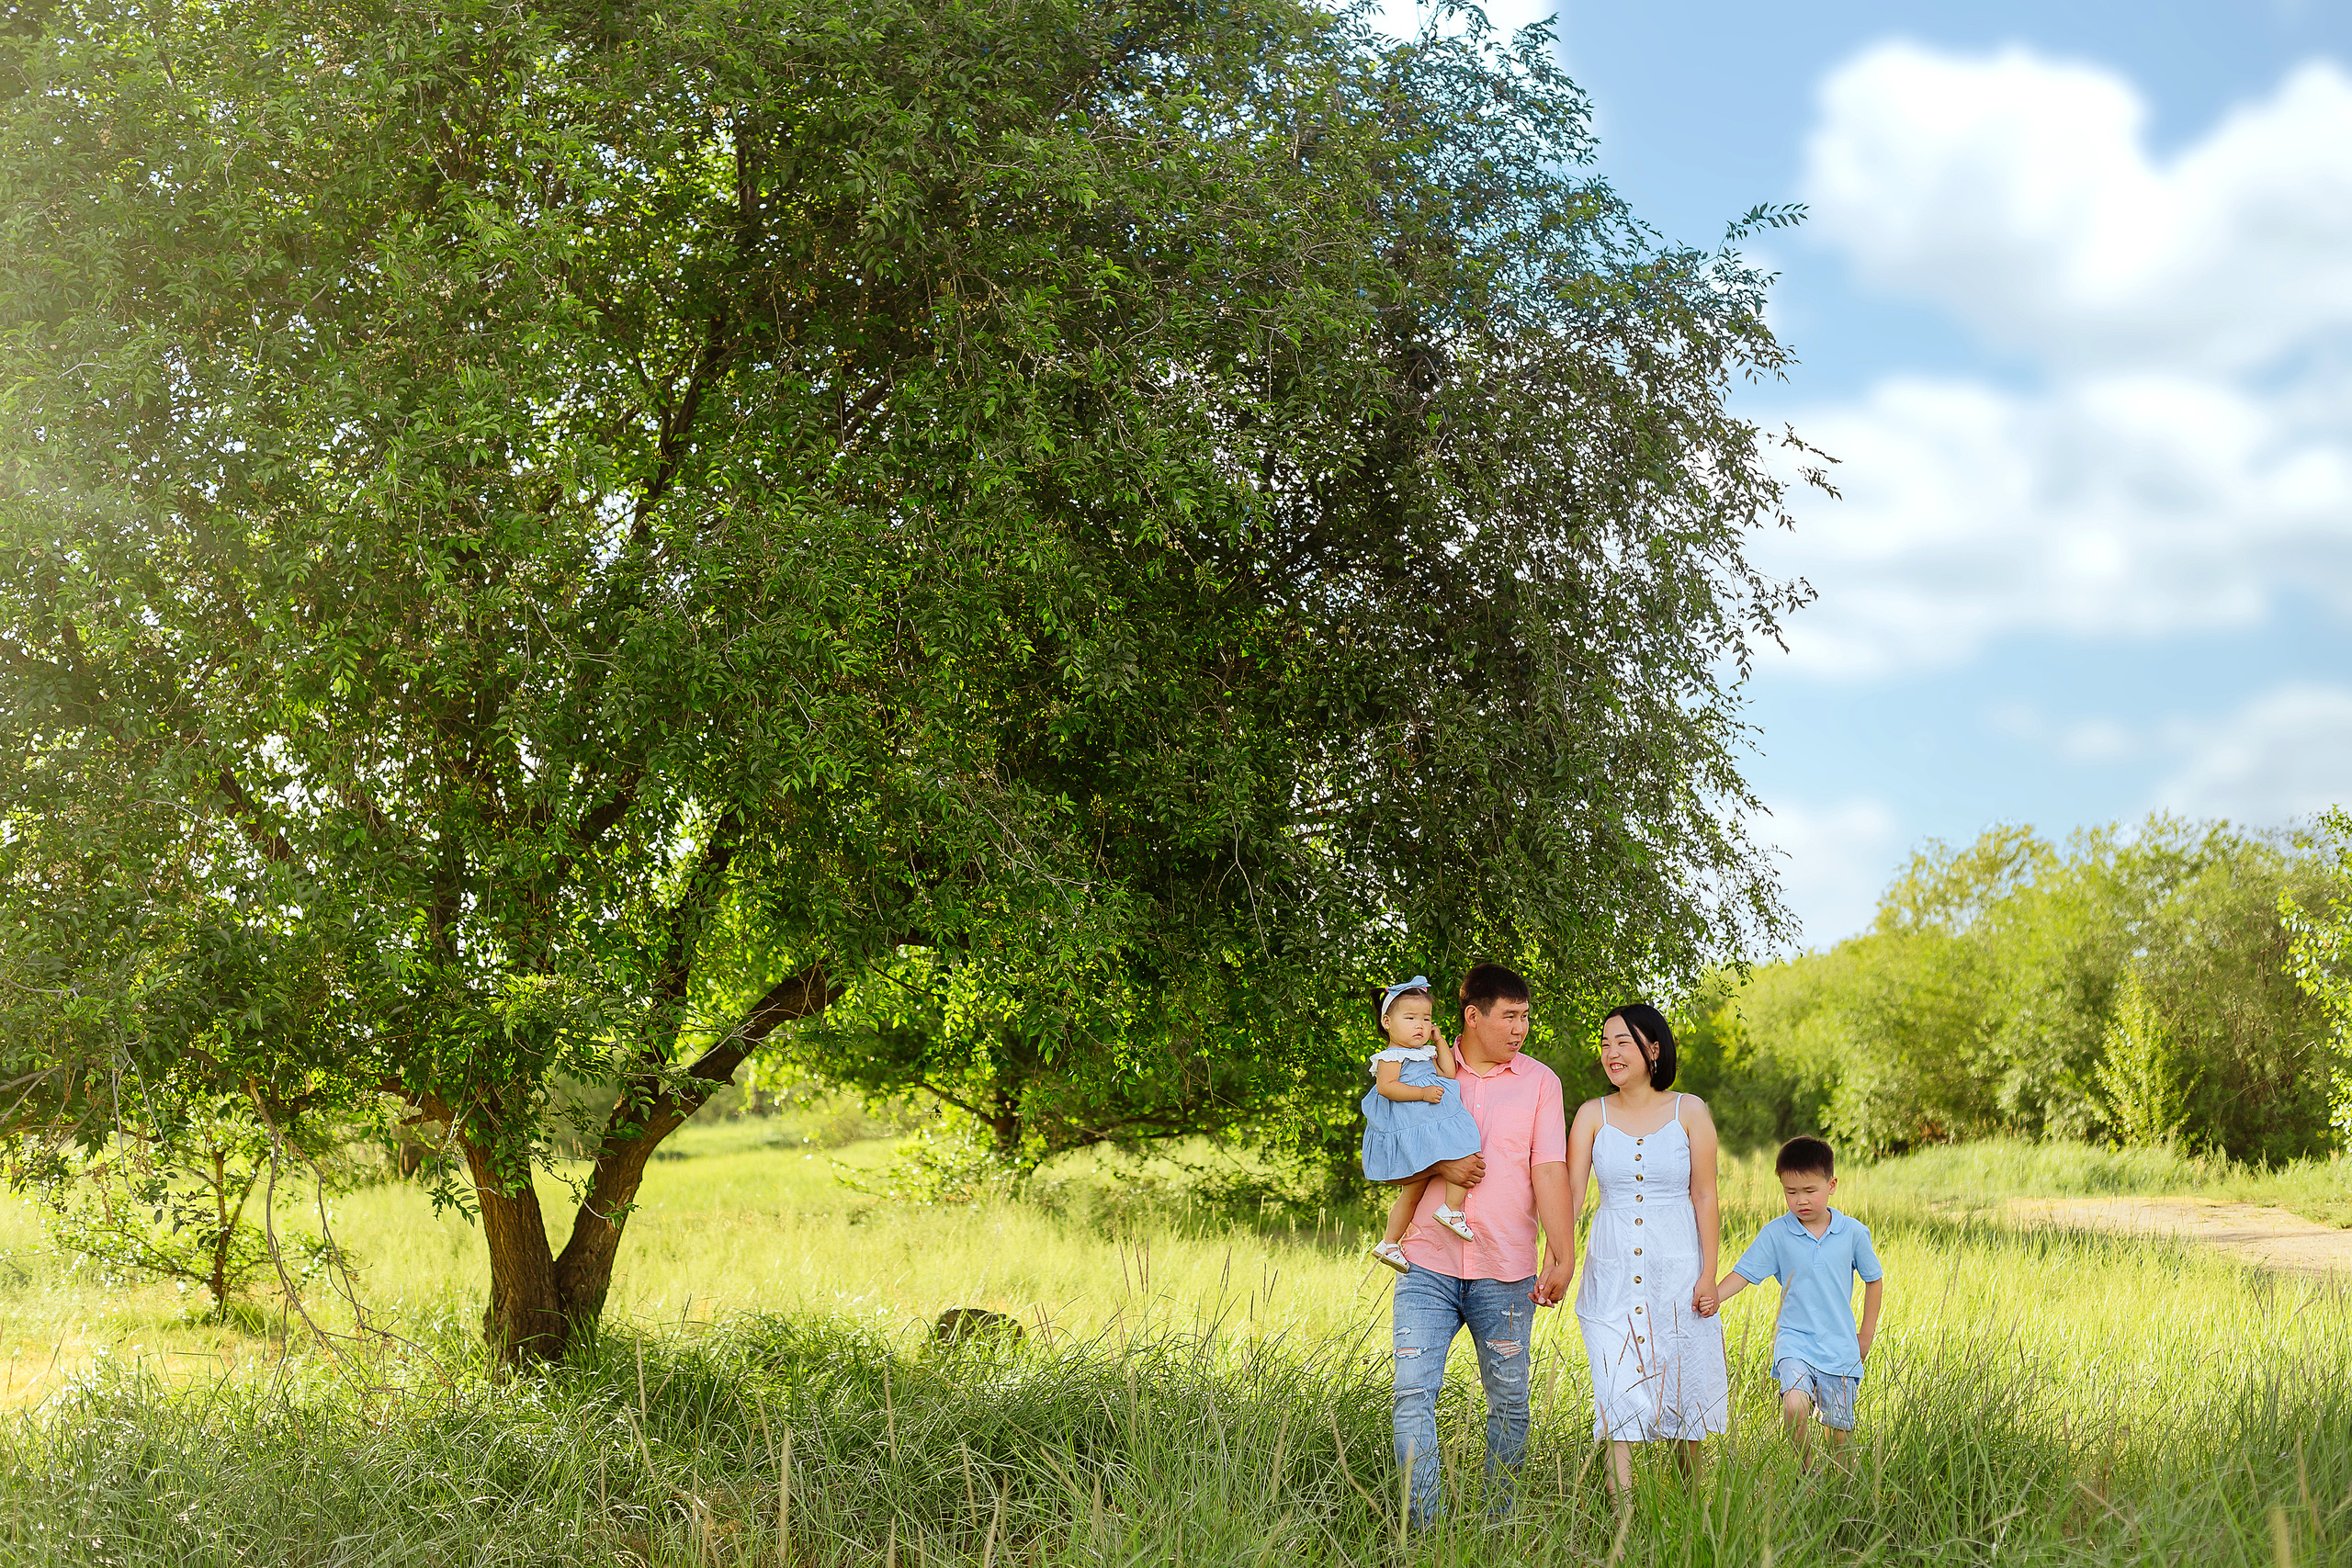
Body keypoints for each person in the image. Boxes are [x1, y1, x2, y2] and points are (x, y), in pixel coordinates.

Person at [1386, 963, 1574, 1527]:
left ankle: (1498, 1527)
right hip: (1427, 1262)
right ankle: (1424, 1529)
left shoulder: (1542, 1082)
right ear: (1473, 1015)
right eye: (1509, 1016)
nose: (1520, 1029)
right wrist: (1443, 1164)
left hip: (1507, 1267)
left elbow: (1549, 1168)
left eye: (1525, 1017)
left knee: (1511, 1404)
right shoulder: (1421, 1072)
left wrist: (1562, 1253)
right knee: (1412, 1395)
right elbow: (1391, 1160)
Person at [1566, 1002, 1728, 1499]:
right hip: (1612, 1276)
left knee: (1686, 1397)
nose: (1612, 1053)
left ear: (1652, 1049)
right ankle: (1625, 1525)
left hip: (1678, 1273)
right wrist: (1556, 1261)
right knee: (1618, 1397)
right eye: (1605, 1042)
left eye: (1624, 1041)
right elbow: (1570, 1199)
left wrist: (1709, 1274)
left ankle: (1692, 1513)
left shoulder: (1690, 1110)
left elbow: (1705, 1195)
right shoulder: (1591, 1114)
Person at [1703, 1135, 1885, 1471]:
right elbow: (1743, 1273)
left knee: (1840, 1442)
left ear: (1831, 1185)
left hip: (1840, 1347)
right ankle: (1807, 1470)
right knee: (1794, 1406)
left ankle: (1842, 1495)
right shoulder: (1776, 1233)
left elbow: (1874, 1280)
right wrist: (1713, 1295)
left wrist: (1866, 1335)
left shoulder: (1853, 1233)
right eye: (1791, 1192)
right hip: (1794, 1341)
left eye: (1809, 1191)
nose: (1800, 1200)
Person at [1362, 976, 1483, 1271]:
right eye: (1411, 1018)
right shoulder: (1391, 1056)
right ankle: (1407, 1233)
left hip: (1428, 1125)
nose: (1421, 1025)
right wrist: (1422, 1093)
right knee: (1458, 1151)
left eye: (1426, 1019)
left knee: (1449, 1161)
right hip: (1413, 1128)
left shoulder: (1424, 1052)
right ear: (1388, 1022)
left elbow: (1449, 1073)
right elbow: (1386, 1088)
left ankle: (1399, 1238)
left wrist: (1439, 1040)